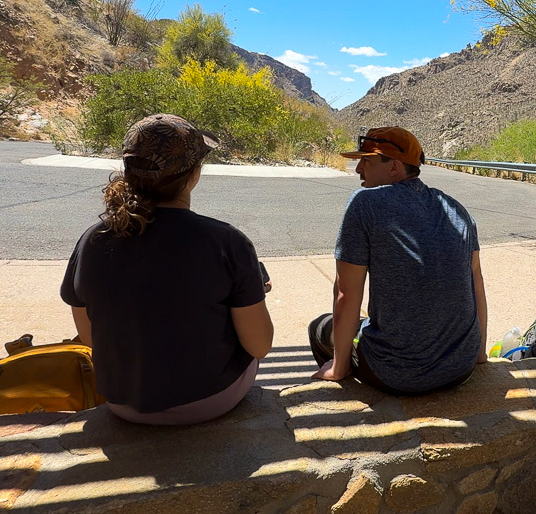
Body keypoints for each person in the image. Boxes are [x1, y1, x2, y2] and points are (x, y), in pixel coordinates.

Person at [61, 113, 273, 425]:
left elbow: (91, 338)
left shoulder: (93, 238)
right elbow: (260, 345)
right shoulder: (226, 241)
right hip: (209, 400)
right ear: (193, 174)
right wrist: (251, 291)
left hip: (121, 401)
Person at [310, 126, 487, 395]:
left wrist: (338, 366)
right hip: (460, 367)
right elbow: (477, 283)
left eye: (366, 160)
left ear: (394, 167)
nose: (358, 169)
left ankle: (343, 377)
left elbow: (346, 292)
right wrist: (479, 353)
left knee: (319, 327)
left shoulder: (365, 203)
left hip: (397, 374)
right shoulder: (456, 208)